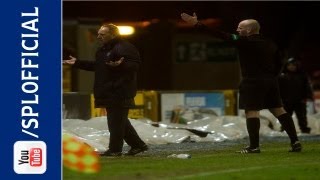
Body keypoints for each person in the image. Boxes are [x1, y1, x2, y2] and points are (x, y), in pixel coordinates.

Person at [181, 12, 302, 153]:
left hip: (252, 82)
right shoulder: (270, 43)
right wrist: (271, 77)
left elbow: (221, 35)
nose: (237, 30)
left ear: (249, 30)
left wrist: (197, 24)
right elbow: (280, 63)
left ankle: (254, 147)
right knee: (279, 110)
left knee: (252, 112)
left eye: (240, 28)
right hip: (271, 81)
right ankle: (295, 141)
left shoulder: (244, 41)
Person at [63, 24, 148, 156]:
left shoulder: (125, 47)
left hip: (120, 91)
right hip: (109, 90)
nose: (98, 37)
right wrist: (77, 63)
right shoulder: (104, 50)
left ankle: (115, 150)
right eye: (99, 34)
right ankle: (138, 145)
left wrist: (121, 65)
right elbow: (99, 67)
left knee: (115, 123)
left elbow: (134, 65)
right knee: (119, 122)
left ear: (113, 34)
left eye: (102, 34)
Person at [279, 57, 314, 133]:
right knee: (286, 117)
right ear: (286, 66)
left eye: (293, 65)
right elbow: (278, 89)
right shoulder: (282, 76)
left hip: (300, 100)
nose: (291, 67)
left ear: (297, 66)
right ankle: (284, 129)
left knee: (302, 117)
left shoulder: (302, 75)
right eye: (290, 65)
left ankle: (304, 129)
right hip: (286, 101)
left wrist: (308, 97)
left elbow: (307, 87)